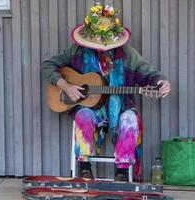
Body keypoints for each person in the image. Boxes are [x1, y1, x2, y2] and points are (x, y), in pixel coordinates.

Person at [41, 3, 170, 181]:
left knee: (130, 119)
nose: (101, 45)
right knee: (83, 115)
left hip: (121, 108)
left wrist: (160, 82)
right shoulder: (77, 51)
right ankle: (85, 168)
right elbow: (47, 65)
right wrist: (66, 86)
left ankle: (122, 173)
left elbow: (150, 74)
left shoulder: (127, 54)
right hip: (92, 110)